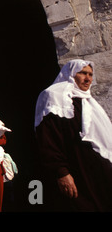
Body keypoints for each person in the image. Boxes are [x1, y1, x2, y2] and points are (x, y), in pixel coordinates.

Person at [34, 59, 112, 211]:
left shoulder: (89, 102)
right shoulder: (53, 97)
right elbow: (48, 140)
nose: (88, 78)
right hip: (75, 173)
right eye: (82, 73)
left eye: (90, 74)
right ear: (70, 74)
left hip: (97, 174)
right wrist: (62, 172)